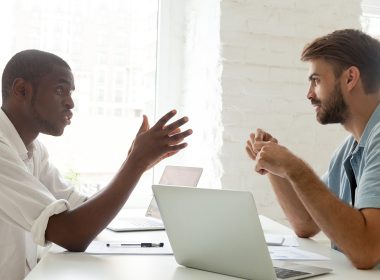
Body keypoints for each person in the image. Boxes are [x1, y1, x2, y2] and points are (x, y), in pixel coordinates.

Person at [0, 49, 192, 280]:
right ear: (22, 89)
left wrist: (133, 162)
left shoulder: (33, 150)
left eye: (71, 93)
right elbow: (71, 234)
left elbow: (80, 208)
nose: (70, 102)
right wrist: (135, 163)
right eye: (60, 90)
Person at [246, 29, 380, 269]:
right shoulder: (350, 148)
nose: (309, 95)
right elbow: (306, 223)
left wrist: (292, 166)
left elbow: (366, 250)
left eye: (316, 81)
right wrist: (275, 165)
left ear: (350, 78)